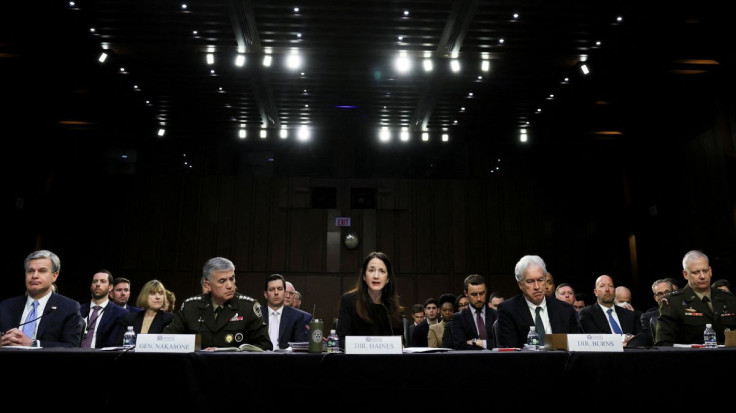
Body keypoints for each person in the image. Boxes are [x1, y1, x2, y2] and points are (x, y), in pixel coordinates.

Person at [164, 257, 272, 350]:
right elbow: (168, 341)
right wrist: (196, 350)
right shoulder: (190, 307)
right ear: (207, 284)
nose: (230, 285)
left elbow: (265, 345)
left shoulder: (248, 307)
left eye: (232, 278)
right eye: (222, 281)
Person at [0, 250, 84, 348]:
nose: (34, 276)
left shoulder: (69, 307)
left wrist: (33, 343)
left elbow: (72, 346)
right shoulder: (6, 306)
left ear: (54, 276)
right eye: (30, 271)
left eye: (42, 271)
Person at [656, 250, 736, 346]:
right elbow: (663, 344)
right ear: (685, 274)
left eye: (705, 271)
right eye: (696, 272)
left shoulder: (728, 298)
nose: (702, 276)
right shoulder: (673, 302)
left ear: (710, 271)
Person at [497, 255, 579, 348]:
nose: (537, 287)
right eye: (530, 281)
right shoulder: (508, 310)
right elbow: (509, 352)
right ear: (520, 284)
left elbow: (575, 348)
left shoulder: (565, 310)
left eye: (540, 280)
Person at [336, 251, 404, 349]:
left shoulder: (393, 305)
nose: (376, 276)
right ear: (364, 276)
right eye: (371, 270)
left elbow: (400, 342)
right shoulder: (349, 300)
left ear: (388, 278)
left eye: (382, 271)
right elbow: (341, 340)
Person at [578, 275, 649, 347]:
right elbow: (597, 339)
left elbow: (641, 338)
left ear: (614, 291)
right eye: (602, 286)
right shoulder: (586, 313)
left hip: (630, 354)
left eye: (610, 286)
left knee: (643, 337)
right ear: (595, 292)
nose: (607, 289)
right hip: (604, 354)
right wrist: (624, 338)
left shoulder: (629, 314)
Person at [80, 269, 129, 348]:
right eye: (95, 281)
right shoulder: (78, 309)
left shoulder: (120, 313)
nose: (98, 284)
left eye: (102, 281)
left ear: (110, 287)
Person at [263, 273, 311, 349]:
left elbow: (302, 347)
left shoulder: (296, 316)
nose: (276, 293)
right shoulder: (256, 315)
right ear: (265, 294)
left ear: (284, 293)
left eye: (280, 289)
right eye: (271, 289)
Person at [117, 279, 174, 343]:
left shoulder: (170, 319)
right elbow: (119, 344)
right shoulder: (131, 318)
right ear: (144, 296)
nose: (158, 297)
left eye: (161, 294)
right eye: (153, 293)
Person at [450, 274, 496, 350]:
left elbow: (502, 342)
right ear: (466, 293)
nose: (479, 298)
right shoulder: (458, 318)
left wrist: (477, 342)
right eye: (474, 294)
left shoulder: (496, 315)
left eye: (482, 293)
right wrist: (489, 344)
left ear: (486, 291)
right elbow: (460, 346)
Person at [640, 278, 674, 343]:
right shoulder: (648, 317)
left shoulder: (683, 310)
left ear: (673, 293)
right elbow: (652, 341)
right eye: (660, 294)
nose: (664, 296)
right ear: (655, 298)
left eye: (667, 292)